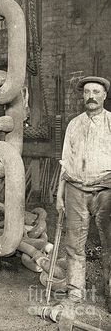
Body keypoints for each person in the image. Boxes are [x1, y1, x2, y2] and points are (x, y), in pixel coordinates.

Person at [56, 76, 111, 312]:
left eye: (96, 92)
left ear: (104, 96)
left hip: (106, 190)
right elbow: (66, 162)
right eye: (87, 92)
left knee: (110, 243)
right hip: (75, 189)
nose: (91, 96)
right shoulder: (74, 124)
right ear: (82, 96)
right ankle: (74, 292)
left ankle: (109, 294)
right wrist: (60, 194)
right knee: (74, 244)